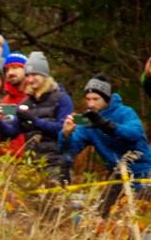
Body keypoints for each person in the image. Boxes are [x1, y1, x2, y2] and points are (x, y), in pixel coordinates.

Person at [60, 74, 151, 217]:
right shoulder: (88, 121)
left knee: (140, 217)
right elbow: (71, 149)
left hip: (142, 173)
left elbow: (134, 133)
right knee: (102, 216)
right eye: (88, 99)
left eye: (96, 99)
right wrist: (66, 135)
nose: (90, 104)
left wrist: (105, 125)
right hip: (116, 176)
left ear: (107, 99)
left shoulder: (125, 113)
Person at [0, 51, 73, 185]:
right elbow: (12, 132)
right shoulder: (26, 103)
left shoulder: (62, 99)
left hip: (57, 164)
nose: (30, 79)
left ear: (44, 75)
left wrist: (34, 121)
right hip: (32, 165)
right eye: (28, 75)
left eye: (34, 75)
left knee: (53, 204)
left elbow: (62, 128)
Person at [0, 52, 27, 158]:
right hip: (9, 163)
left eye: (15, 67)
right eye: (7, 69)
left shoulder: (37, 98)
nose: (10, 73)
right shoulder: (5, 103)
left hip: (37, 162)